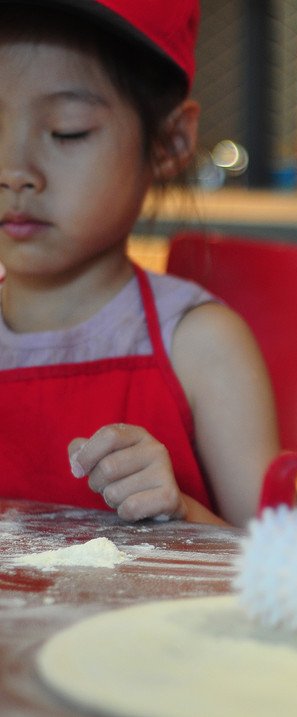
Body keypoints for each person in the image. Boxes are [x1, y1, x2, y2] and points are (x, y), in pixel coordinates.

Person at [0, 0, 278, 526]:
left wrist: (182, 515)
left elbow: (278, 577)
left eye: (67, 131)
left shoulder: (202, 347)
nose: (14, 170)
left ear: (170, 142)